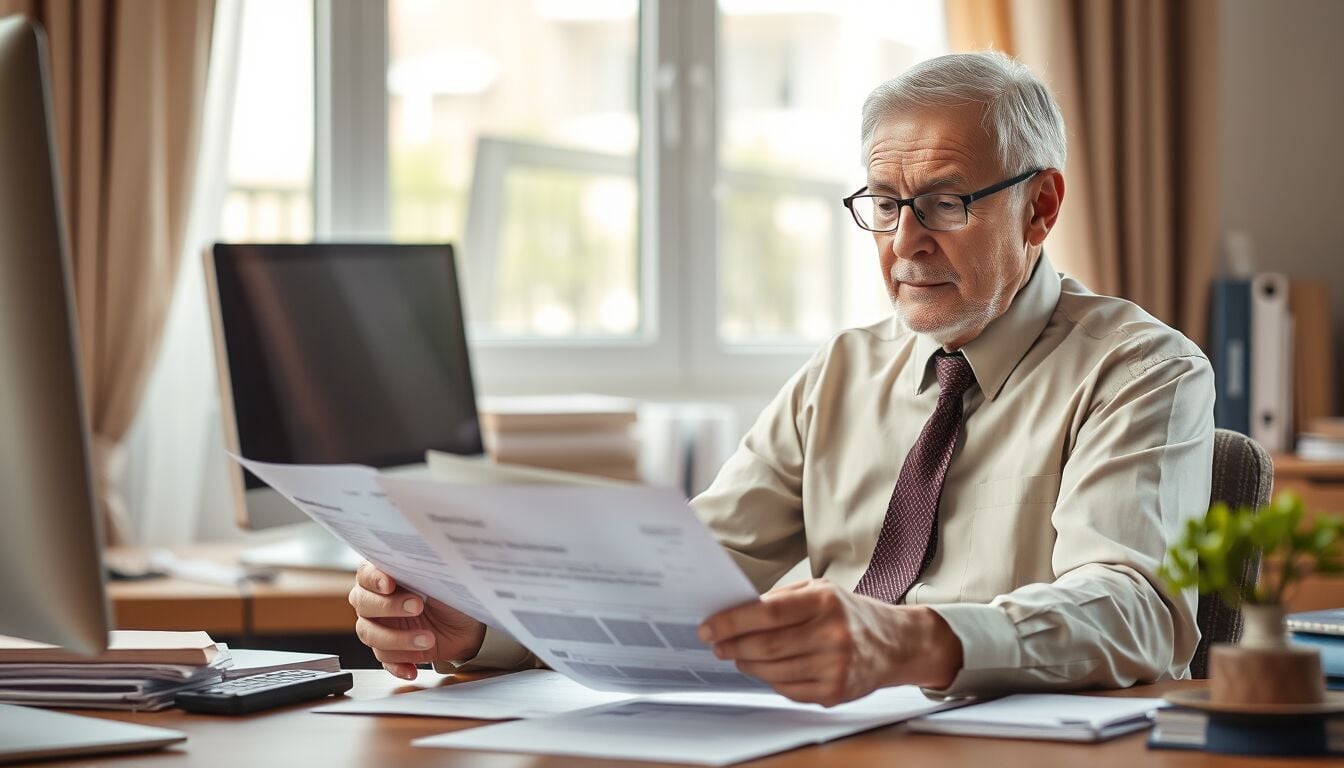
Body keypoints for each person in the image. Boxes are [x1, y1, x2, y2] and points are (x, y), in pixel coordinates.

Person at [347, 51, 1214, 706]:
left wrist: (914, 643)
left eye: (946, 202)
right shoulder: (841, 371)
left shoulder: (1138, 370)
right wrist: (486, 628)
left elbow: (1134, 608)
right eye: (883, 202)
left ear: (1042, 207)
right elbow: (682, 582)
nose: (905, 242)